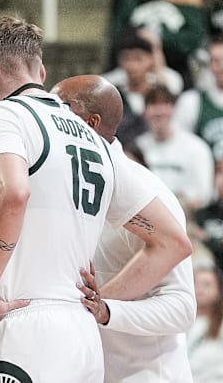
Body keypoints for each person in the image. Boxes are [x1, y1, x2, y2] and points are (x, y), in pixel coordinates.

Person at [0, 16, 191, 382]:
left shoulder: (0, 114)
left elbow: (13, 193)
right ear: (40, 72)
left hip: (28, 325)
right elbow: (172, 239)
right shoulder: (95, 140)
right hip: (83, 337)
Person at [52, 75, 195, 383]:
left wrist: (106, 310)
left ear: (89, 123)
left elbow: (183, 309)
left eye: (60, 110)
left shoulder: (147, 193)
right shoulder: (60, 189)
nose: (49, 120)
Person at [136, 85, 214, 211]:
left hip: (187, 217)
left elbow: (204, 194)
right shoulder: (137, 148)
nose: (159, 111)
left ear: (174, 109)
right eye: (153, 105)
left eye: (165, 104)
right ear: (144, 111)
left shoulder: (196, 148)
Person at [188, 263, 223, 381]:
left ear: (219, 289)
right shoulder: (179, 322)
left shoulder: (219, 325)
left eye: (207, 284)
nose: (199, 289)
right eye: (195, 284)